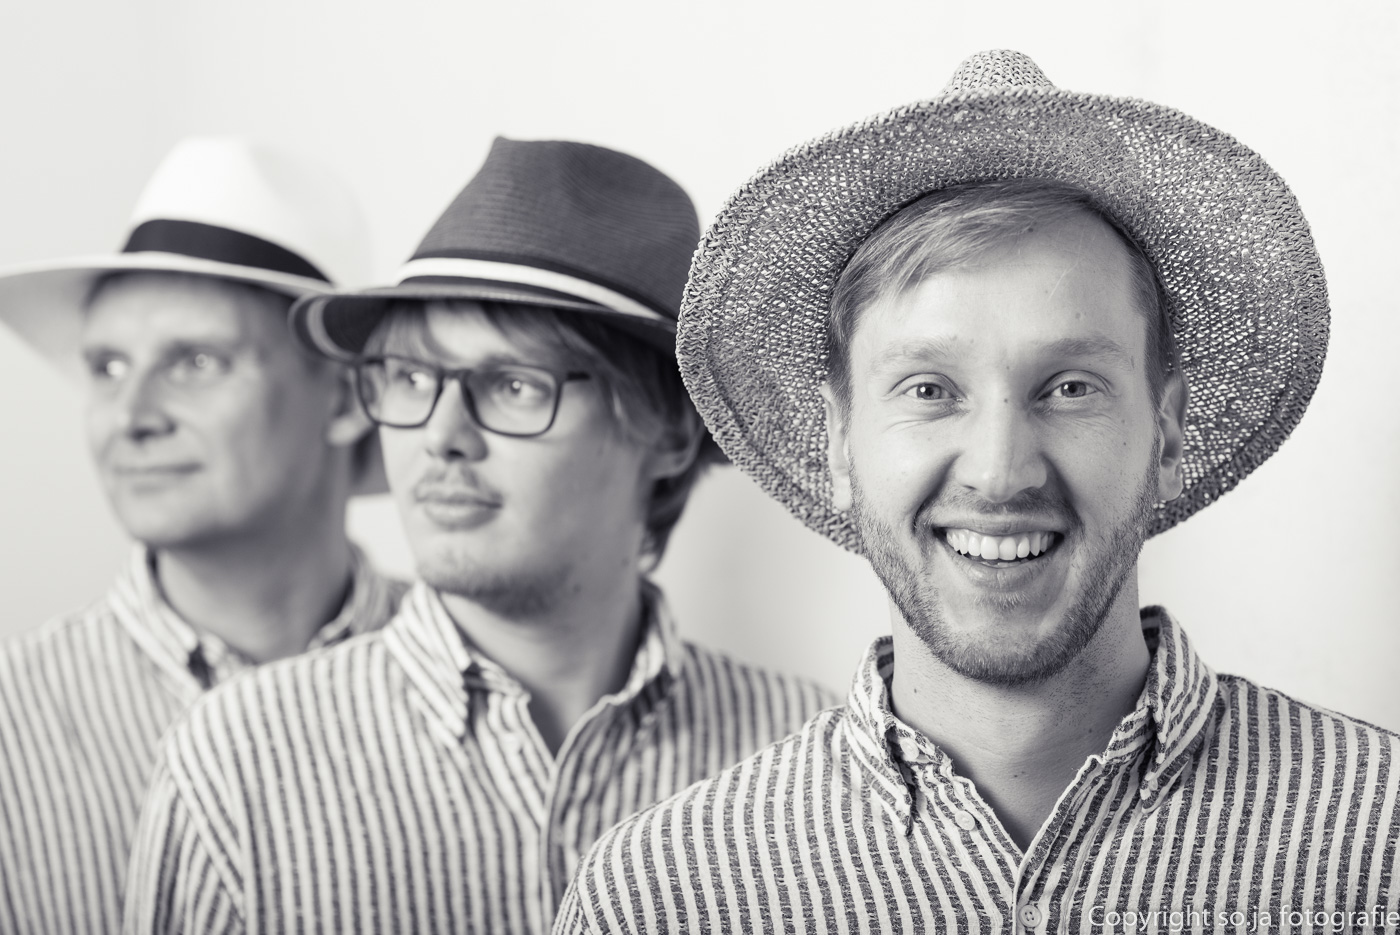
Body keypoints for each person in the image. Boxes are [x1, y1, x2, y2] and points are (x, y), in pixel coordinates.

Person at [556, 51, 1399, 933]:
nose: (999, 471)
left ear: (1169, 435)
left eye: (1069, 386)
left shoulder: (1379, 840)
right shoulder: (664, 895)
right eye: (929, 389)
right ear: (839, 441)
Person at [122, 137, 838, 935]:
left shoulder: (810, 759)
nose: (441, 436)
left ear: (669, 428)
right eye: (411, 378)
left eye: (513, 385)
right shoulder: (236, 763)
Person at [0, 138, 405, 934]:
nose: (131, 416)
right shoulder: (13, 720)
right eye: (107, 367)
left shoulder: (493, 677)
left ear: (344, 397)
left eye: (194, 361)